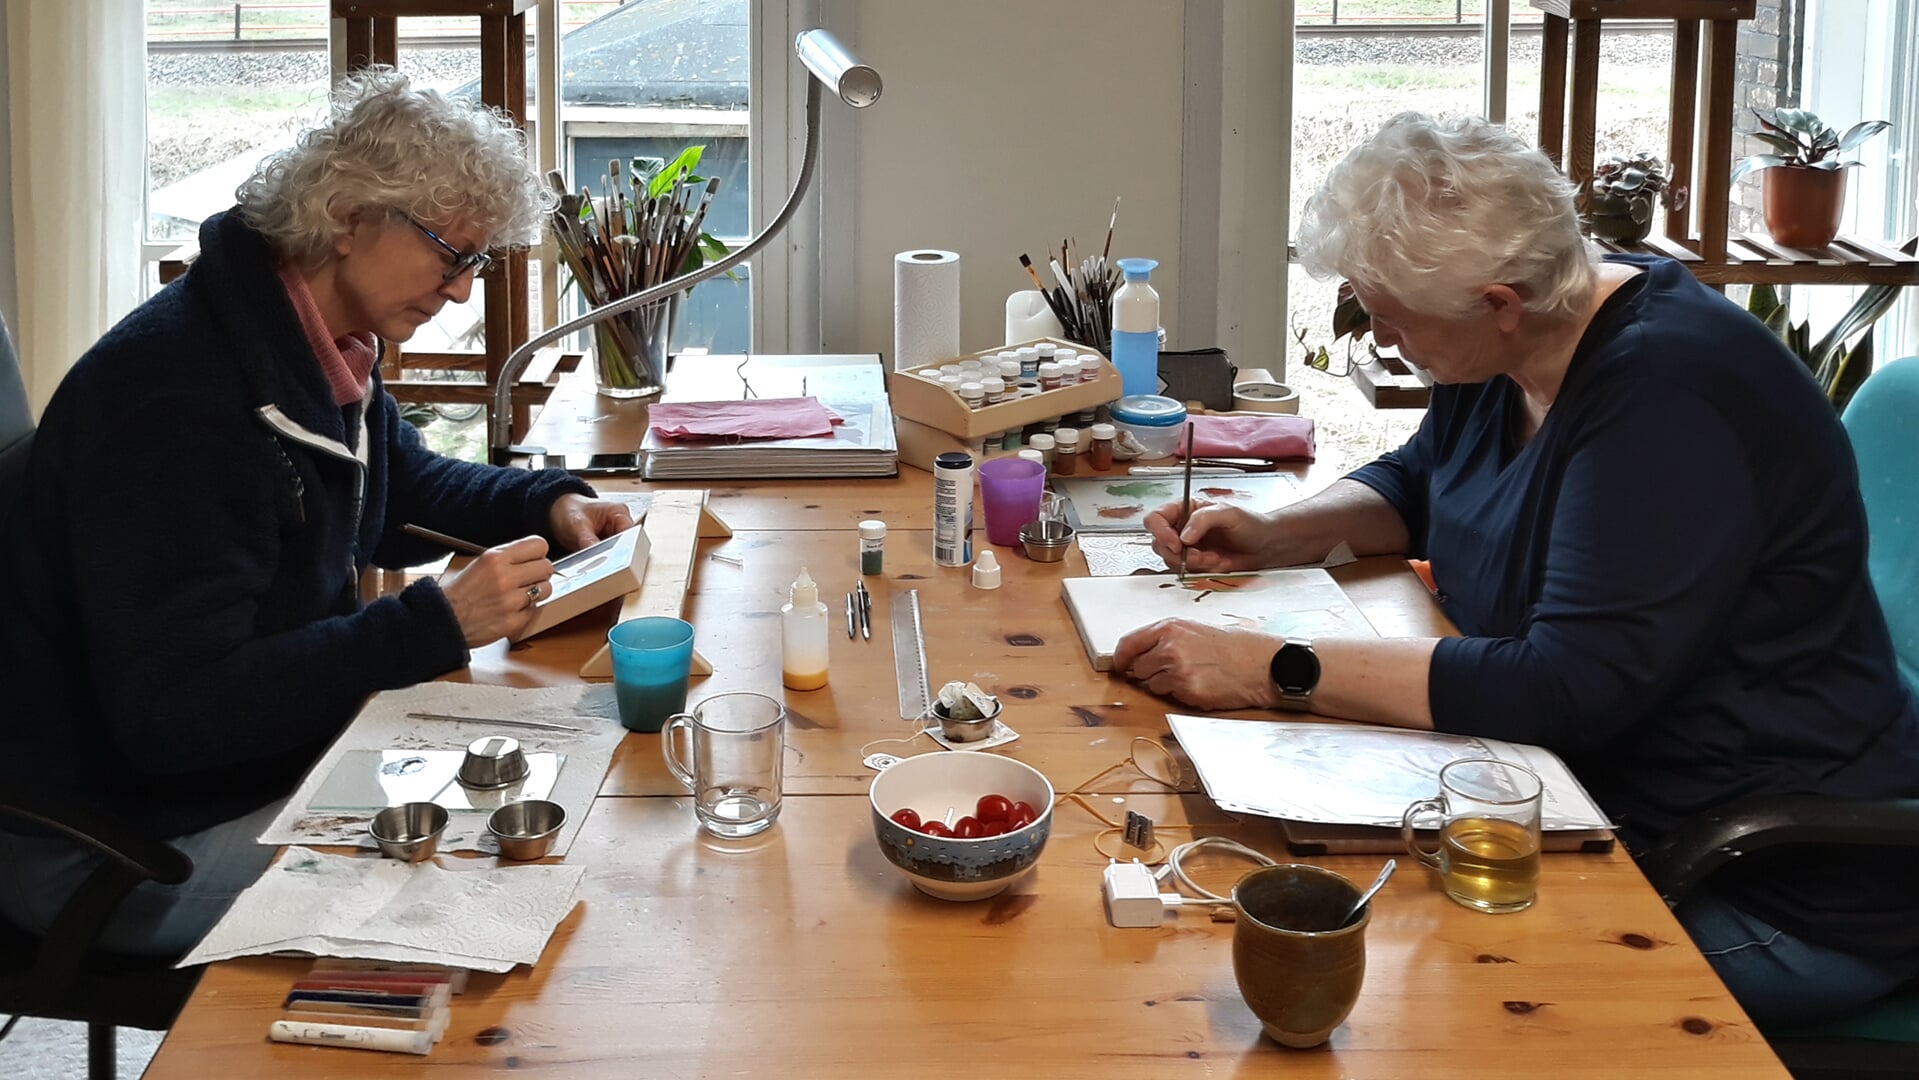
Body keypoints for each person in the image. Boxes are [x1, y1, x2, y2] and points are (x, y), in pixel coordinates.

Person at [1112, 112, 1919, 1027]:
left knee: (1443, 1013)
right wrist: (1275, 532)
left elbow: (1563, 687)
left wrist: (1269, 666)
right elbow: (1421, 482)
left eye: (1389, 320)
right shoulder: (1520, 343)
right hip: (1587, 794)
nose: (1383, 340)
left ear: (1499, 302)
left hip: (1759, 878)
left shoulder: (1666, 403)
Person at [0, 68, 635, 956]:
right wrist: (430, 625)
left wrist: (551, 502)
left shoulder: (312, 342)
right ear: (348, 217)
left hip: (247, 769)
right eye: (451, 256)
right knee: (503, 902)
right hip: (127, 841)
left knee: (557, 821)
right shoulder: (178, 401)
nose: (460, 291)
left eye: (476, 264)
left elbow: (399, 489)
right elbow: (172, 714)